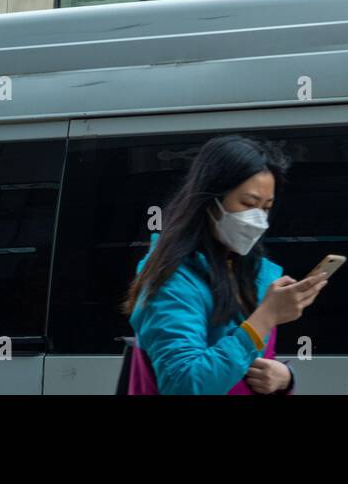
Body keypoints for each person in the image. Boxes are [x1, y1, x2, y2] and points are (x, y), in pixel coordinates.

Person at [122, 134, 328, 394]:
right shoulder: (172, 278)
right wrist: (266, 317)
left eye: (266, 207)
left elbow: (246, 366)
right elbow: (185, 384)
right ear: (209, 200)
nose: (257, 219)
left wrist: (283, 378)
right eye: (247, 203)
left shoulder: (257, 274)